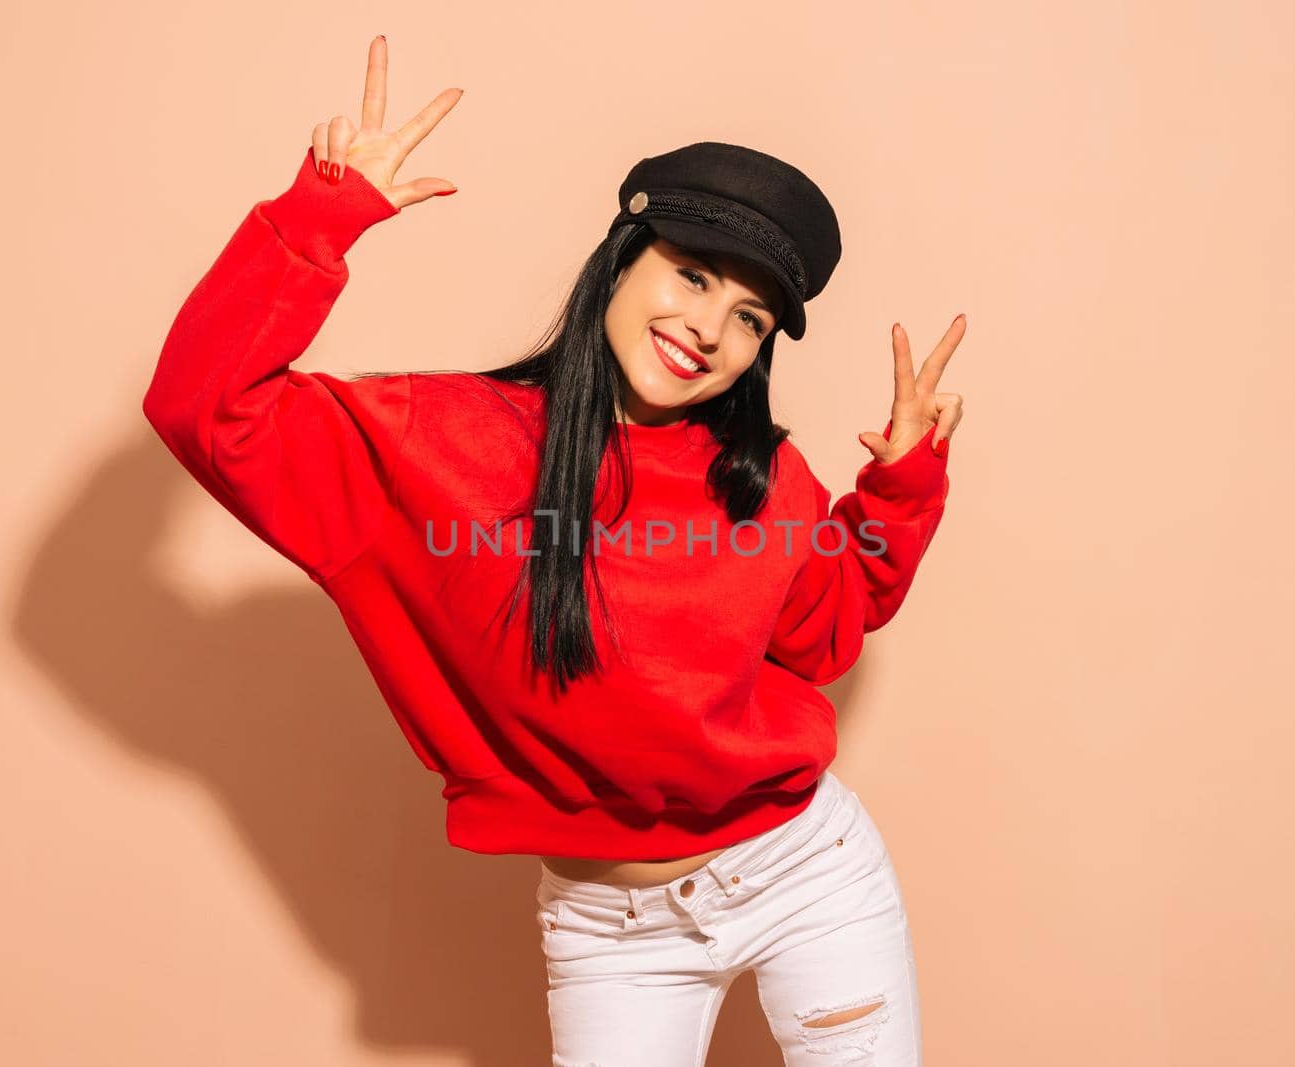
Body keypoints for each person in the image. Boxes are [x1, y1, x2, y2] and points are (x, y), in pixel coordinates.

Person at [143, 34, 966, 1067]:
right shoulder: (433, 444)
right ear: (623, 260)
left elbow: (825, 628)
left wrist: (900, 486)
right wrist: (321, 217)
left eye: (749, 316)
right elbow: (202, 408)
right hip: (609, 931)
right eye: (694, 274)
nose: (709, 327)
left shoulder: (762, 478)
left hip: (806, 874)